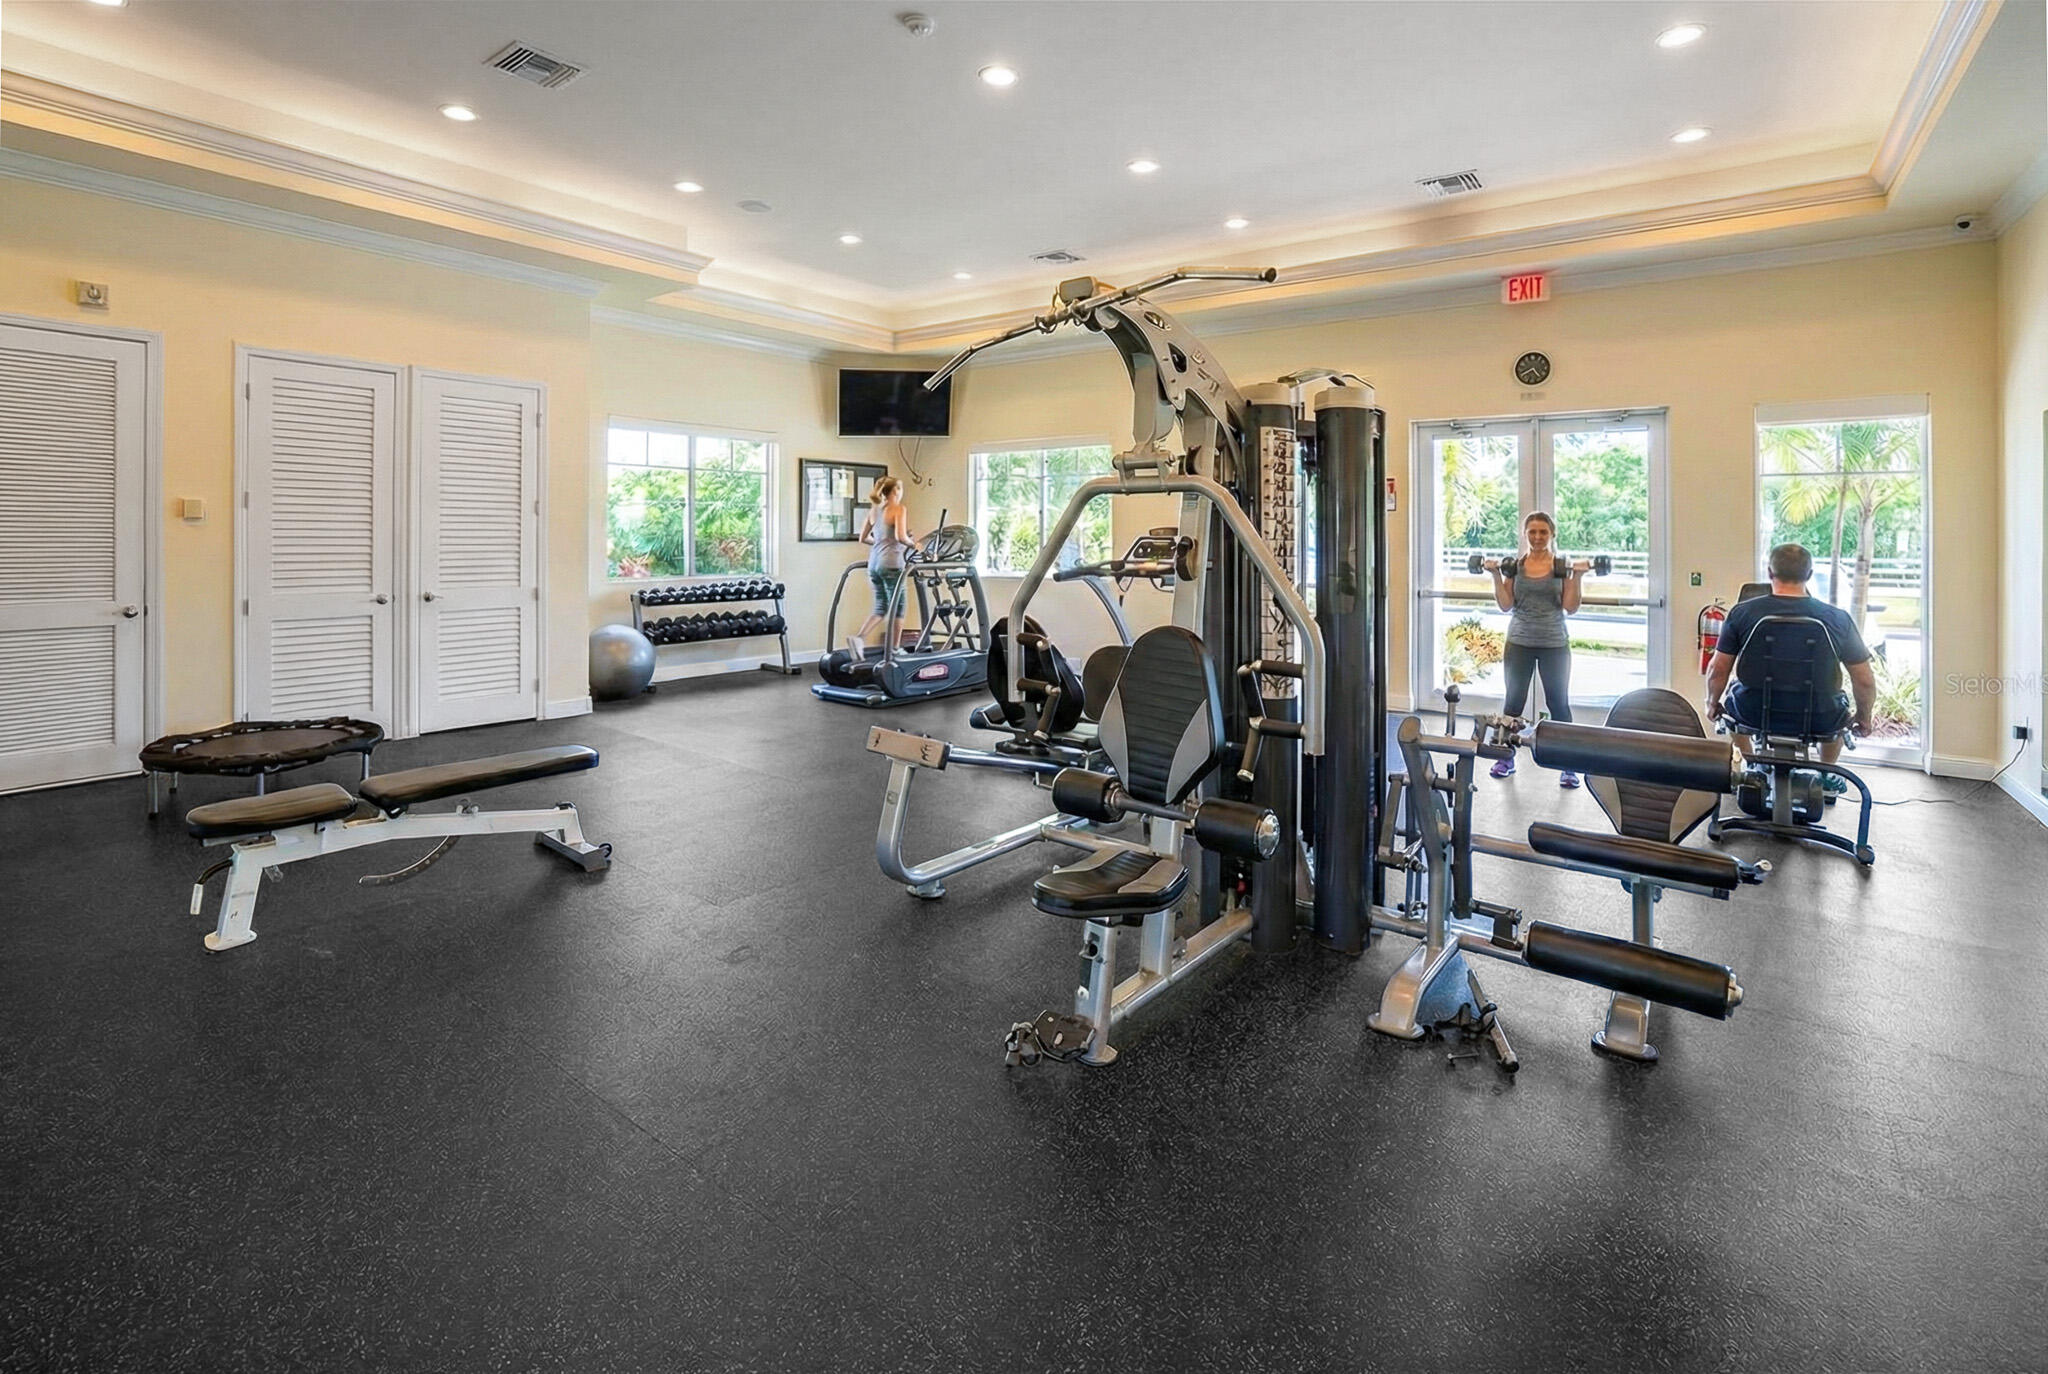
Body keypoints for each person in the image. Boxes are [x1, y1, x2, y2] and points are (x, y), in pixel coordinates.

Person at [1704, 542, 1876, 794]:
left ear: (1769, 573)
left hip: (1752, 712)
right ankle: (1826, 775)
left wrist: (1711, 702)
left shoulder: (1742, 613)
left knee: (1733, 699)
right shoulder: (1837, 618)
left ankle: (1753, 767)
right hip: (1820, 716)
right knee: (1838, 704)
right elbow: (1864, 681)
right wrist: (1864, 716)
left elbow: (1717, 670)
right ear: (1808, 574)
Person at [1482, 511, 1591, 786]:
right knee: (1513, 702)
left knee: (1558, 704)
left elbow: (1570, 607)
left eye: (1543, 532)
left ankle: (1568, 766)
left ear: (1552, 534)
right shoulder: (1515, 566)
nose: (1538, 537)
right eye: (1532, 532)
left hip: (1554, 642)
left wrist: (1577, 577)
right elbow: (1506, 604)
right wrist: (1495, 575)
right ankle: (1505, 758)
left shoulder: (1561, 566)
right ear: (1525, 534)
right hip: (1519, 641)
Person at [850, 477, 915, 658]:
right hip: (892, 564)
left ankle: (859, 638)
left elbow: (864, 538)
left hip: (874, 565)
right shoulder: (899, 509)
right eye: (900, 490)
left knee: (881, 607)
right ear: (895, 491)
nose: (901, 493)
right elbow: (901, 537)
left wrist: (883, 543)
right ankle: (894, 649)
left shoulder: (875, 510)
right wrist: (914, 545)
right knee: (899, 607)